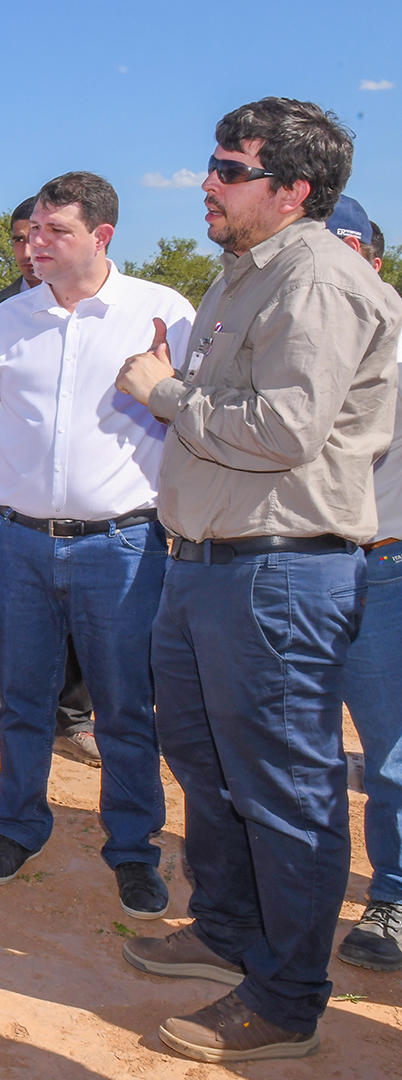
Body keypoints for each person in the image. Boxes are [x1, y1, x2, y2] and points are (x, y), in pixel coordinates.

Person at [116, 98, 401, 1062]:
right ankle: (229, 933)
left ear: (292, 190)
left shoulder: (317, 279)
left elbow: (282, 429)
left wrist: (159, 389)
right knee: (207, 766)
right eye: (213, 162)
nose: (208, 181)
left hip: (276, 576)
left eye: (231, 169)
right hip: (206, 569)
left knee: (285, 789)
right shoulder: (247, 272)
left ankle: (285, 1000)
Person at [0, 172, 194, 919]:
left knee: (124, 707)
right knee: (21, 700)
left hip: (124, 547)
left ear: (102, 236)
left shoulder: (163, 316)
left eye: (54, 232)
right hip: (17, 543)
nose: (36, 245)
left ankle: (132, 851)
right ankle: (18, 828)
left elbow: (193, 420)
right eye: (31, 233)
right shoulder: (7, 322)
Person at [0, 198, 98, 773]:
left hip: (96, 521)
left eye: (41, 235)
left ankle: (73, 718)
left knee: (85, 625)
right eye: (20, 239)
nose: (29, 250)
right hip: (9, 509)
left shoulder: (136, 310)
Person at [331, 192, 402, 973]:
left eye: (345, 254)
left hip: (380, 566)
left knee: (387, 753)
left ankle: (394, 892)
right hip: (285, 567)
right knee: (289, 747)